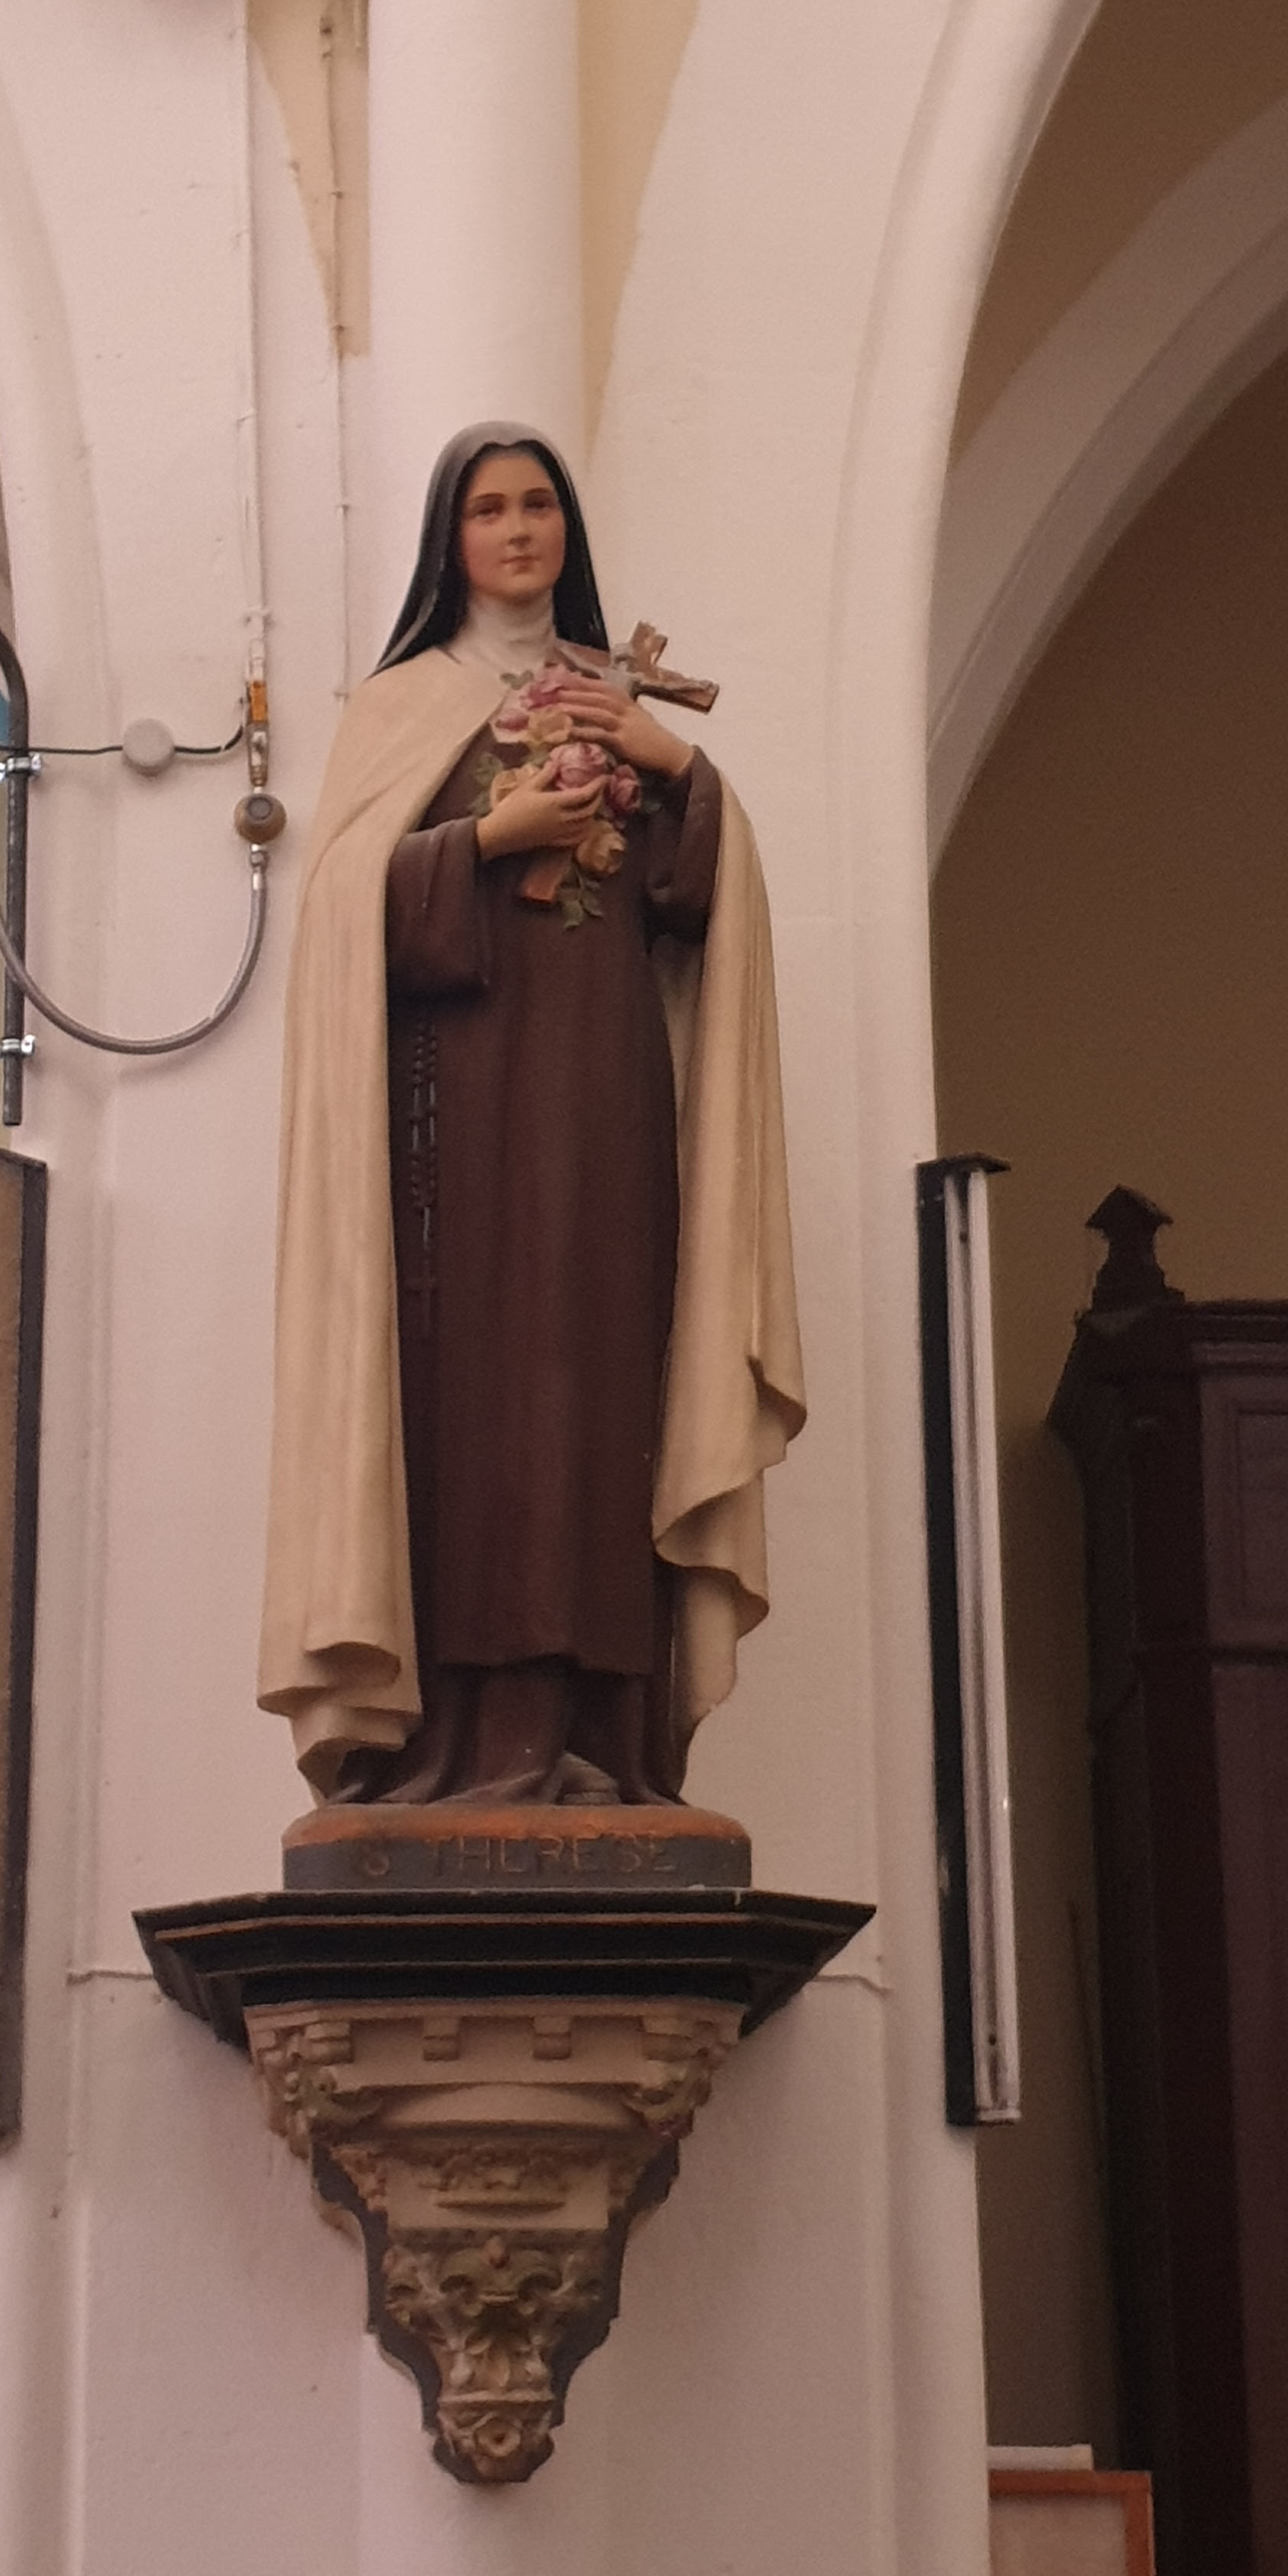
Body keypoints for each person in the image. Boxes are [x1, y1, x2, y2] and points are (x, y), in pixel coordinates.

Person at [258, 422, 803, 1806]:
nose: (517, 530)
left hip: (611, 1107)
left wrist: (673, 765)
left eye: (539, 506)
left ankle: (607, 1740)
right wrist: (490, 841)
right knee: (477, 1401)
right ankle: (459, 1741)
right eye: (490, 509)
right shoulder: (401, 705)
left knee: (608, 1383)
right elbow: (341, 922)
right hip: (454, 1128)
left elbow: (698, 899)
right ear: (451, 542)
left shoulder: (615, 689)